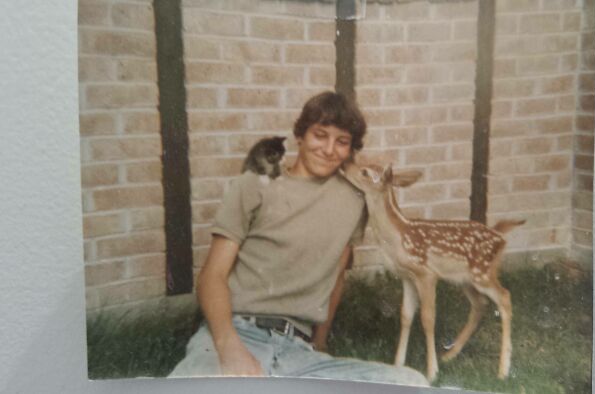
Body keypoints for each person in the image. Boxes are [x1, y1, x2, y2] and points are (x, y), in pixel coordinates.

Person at [169, 91, 429, 386]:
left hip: (298, 351)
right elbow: (211, 276)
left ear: (350, 150)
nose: (329, 149)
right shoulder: (255, 184)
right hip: (238, 331)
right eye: (320, 135)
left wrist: (319, 346)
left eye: (342, 142)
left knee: (411, 383)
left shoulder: (355, 198)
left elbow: (336, 274)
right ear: (300, 136)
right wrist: (229, 347)